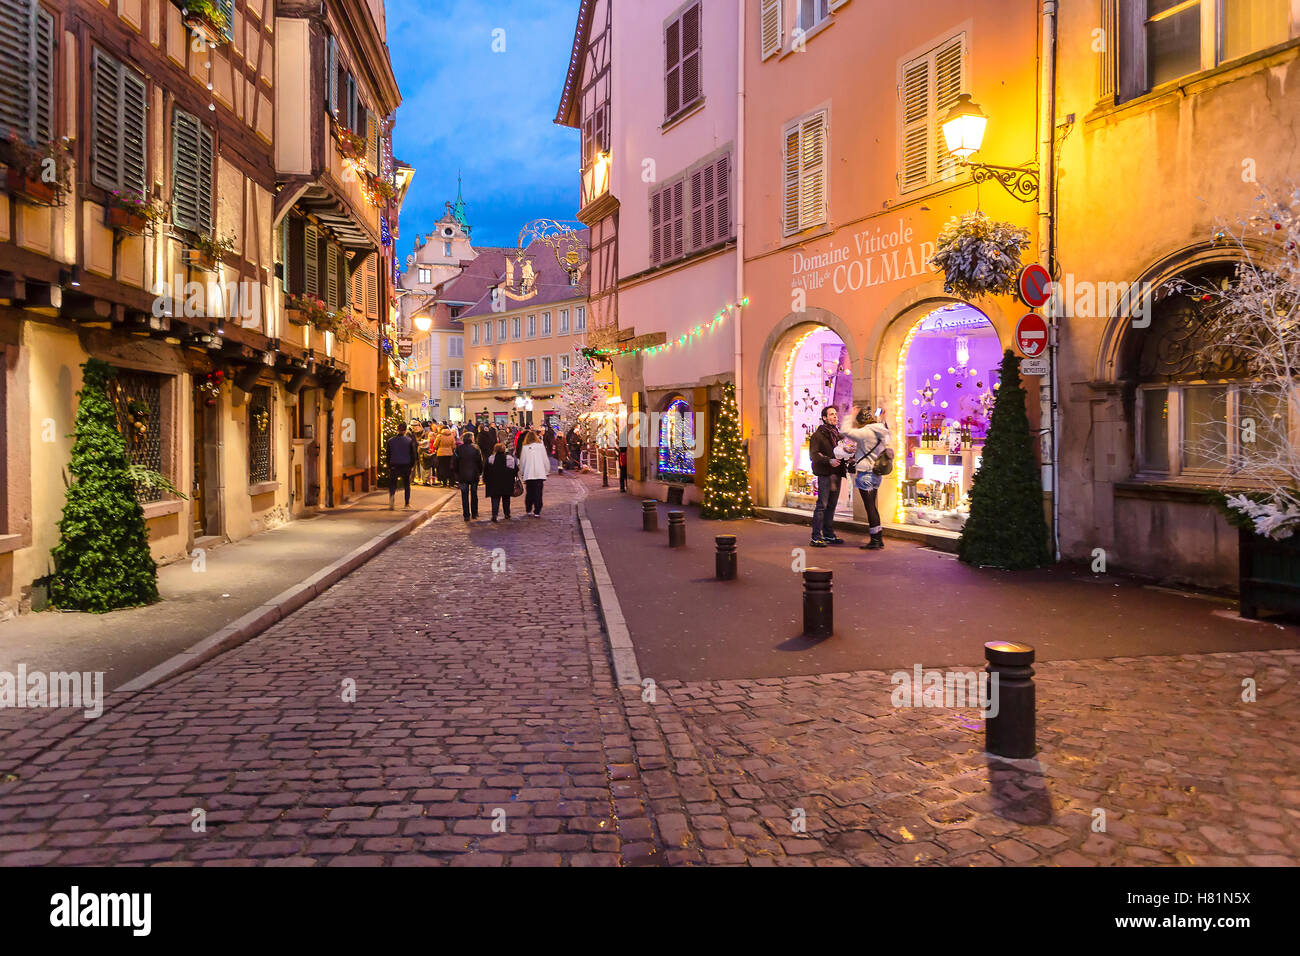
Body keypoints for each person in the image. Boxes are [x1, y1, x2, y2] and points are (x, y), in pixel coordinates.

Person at [842, 407, 893, 550]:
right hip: (877, 473)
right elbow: (889, 438)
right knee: (873, 506)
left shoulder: (865, 432)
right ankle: (878, 536)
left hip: (866, 472)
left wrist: (849, 416)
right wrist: (883, 419)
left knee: (869, 507)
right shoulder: (882, 430)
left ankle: (875, 540)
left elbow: (845, 431)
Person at [808, 406, 846, 547]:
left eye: (835, 414)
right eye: (831, 414)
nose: (834, 416)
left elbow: (842, 451)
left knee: (831, 505)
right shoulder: (818, 435)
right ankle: (816, 537)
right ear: (824, 418)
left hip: (836, 473)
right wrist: (828, 460)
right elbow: (814, 454)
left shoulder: (837, 434)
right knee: (822, 506)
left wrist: (848, 454)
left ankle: (829, 534)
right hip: (825, 474)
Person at [385, 421, 416, 510]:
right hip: (406, 465)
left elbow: (388, 455)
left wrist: (389, 465)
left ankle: (391, 498)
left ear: (397, 429)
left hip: (394, 464)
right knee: (406, 484)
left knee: (393, 484)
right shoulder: (409, 441)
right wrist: (412, 465)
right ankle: (406, 504)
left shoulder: (390, 441)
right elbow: (412, 455)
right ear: (405, 430)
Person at [484, 442, 518, 522]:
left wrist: (486, 480)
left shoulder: (491, 459)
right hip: (507, 483)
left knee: (495, 499)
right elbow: (515, 470)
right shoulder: (509, 459)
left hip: (494, 483)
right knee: (506, 499)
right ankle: (507, 513)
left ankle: (494, 515)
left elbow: (486, 471)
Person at [453, 433, 484, 520]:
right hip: (474, 474)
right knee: (474, 494)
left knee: (464, 495)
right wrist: (480, 472)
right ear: (471, 438)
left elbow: (455, 462)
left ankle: (466, 514)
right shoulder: (476, 448)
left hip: (462, 475)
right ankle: (474, 513)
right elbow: (480, 462)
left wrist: (456, 473)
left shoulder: (459, 449)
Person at [519, 430, 550, 516]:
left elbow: (522, 461)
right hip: (539, 473)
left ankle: (528, 509)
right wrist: (547, 470)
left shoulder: (525, 447)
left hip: (529, 474)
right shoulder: (541, 446)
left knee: (529, 492)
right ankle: (537, 510)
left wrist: (522, 472)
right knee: (538, 493)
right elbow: (545, 459)